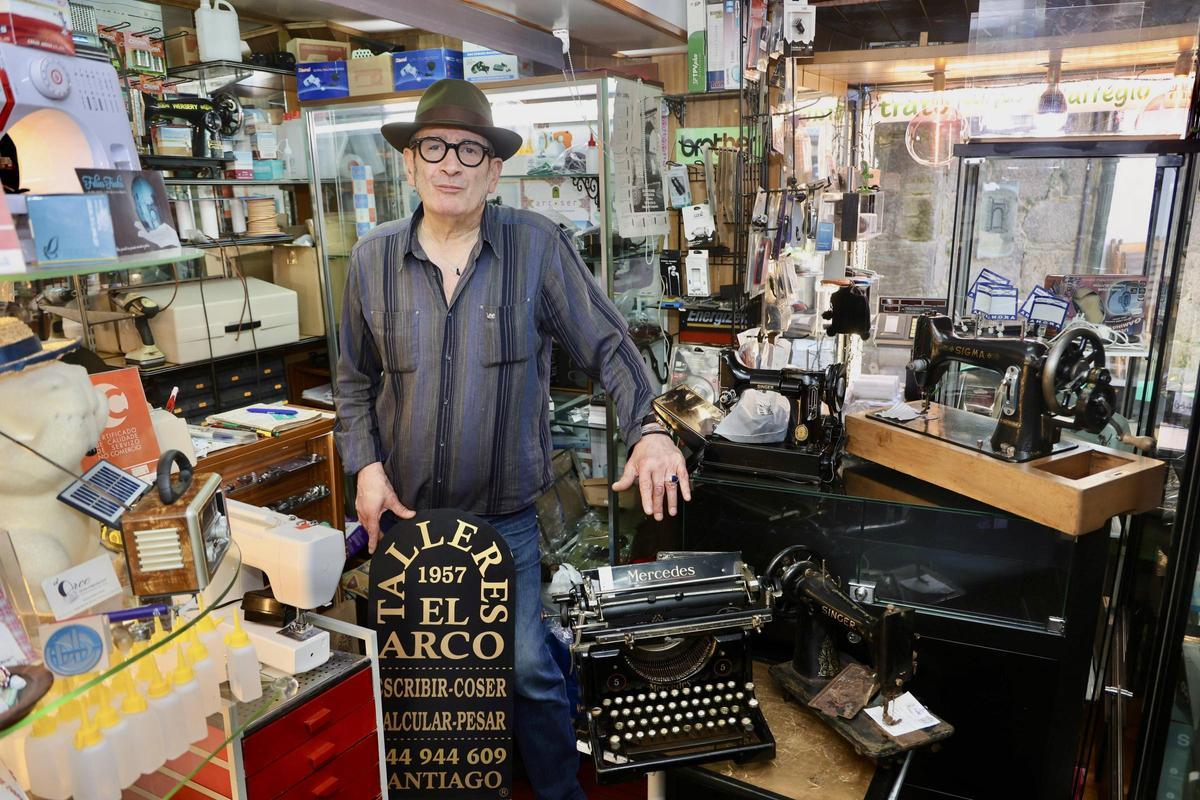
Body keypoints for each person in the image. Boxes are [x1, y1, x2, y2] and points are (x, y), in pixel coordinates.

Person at [334, 79, 690, 800]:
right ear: (409, 163)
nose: (451, 164)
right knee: (423, 684)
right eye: (433, 147)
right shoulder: (371, 261)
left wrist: (651, 432)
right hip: (409, 525)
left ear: (494, 171)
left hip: (506, 524)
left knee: (527, 667)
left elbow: (611, 348)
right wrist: (365, 465)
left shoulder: (536, 248)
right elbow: (351, 382)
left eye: (471, 150)